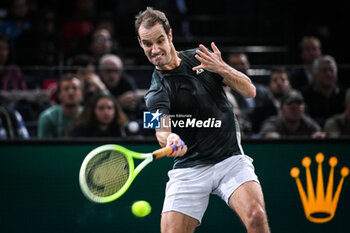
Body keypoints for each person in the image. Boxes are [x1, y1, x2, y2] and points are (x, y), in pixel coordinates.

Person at [135, 7, 270, 233]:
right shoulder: (154, 93)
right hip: (189, 169)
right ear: (140, 43)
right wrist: (169, 140)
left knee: (256, 216)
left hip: (230, 161)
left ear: (170, 35)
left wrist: (222, 68)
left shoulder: (202, 58)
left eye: (159, 40)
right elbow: (161, 131)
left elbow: (250, 91)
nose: (155, 50)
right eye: (148, 44)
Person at [301, 55, 345, 127]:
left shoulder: (344, 95)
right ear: (314, 74)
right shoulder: (304, 95)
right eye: (324, 71)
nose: (328, 74)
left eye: (331, 70)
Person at [259, 89, 324, 139]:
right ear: (281, 107)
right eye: (290, 104)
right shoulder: (272, 123)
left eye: (298, 104)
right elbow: (266, 135)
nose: (294, 108)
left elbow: (319, 135)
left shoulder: (308, 124)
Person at [37, 73, 83, 138]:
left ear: (81, 94)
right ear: (59, 94)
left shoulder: (88, 115)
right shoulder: (47, 117)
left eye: (75, 88)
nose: (71, 92)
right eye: (66, 89)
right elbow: (44, 147)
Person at [98, 54, 139, 120]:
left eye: (116, 70)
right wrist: (118, 102)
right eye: (108, 71)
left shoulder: (127, 82)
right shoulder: (97, 82)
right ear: (101, 71)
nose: (112, 75)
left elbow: (134, 105)